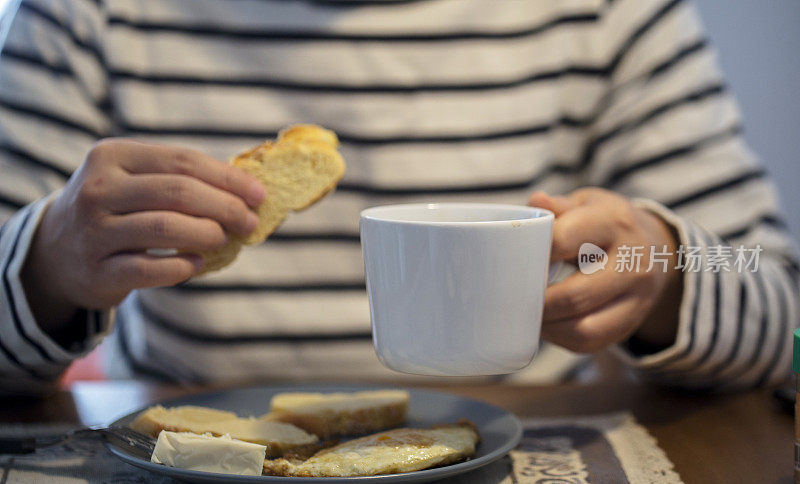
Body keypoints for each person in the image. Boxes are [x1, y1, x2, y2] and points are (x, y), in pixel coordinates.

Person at [0, 0, 797, 390]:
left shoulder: (605, 13)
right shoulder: (92, 13)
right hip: (205, 476)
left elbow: (779, 300)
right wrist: (45, 261)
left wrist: (663, 270)